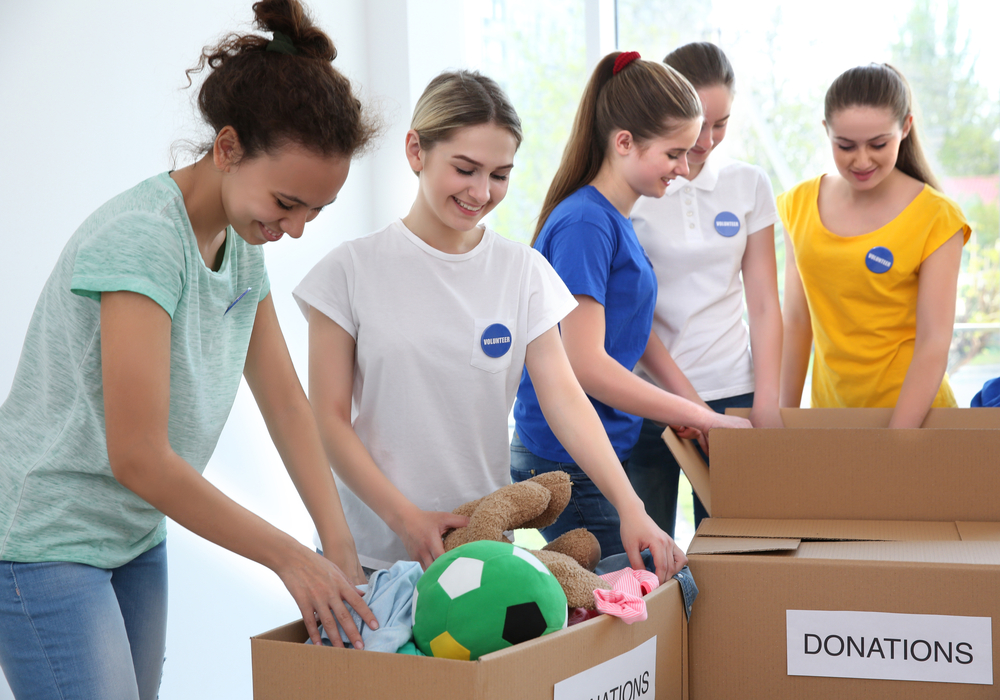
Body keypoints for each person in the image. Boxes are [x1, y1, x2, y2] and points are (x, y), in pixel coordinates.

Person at [0, 2, 381, 697]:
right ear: (228, 147)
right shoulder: (144, 238)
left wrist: (340, 546)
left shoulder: (241, 242)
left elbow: (287, 403)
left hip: (135, 532)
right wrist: (289, 557)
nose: (293, 229)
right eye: (287, 202)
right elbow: (138, 453)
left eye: (313, 213)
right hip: (48, 541)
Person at [295, 69, 686, 584]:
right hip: (366, 555)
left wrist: (631, 507)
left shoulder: (522, 272)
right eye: (466, 169)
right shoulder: (347, 272)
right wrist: (406, 520)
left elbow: (566, 400)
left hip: (482, 555)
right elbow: (327, 421)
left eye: (500, 175)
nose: (481, 191)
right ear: (416, 151)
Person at [511, 51, 752, 560]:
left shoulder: (613, 220)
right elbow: (588, 366)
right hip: (564, 459)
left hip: (592, 450)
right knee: (650, 582)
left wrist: (693, 411)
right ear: (624, 142)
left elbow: (630, 333)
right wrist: (704, 418)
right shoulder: (586, 225)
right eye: (674, 154)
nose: (685, 169)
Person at [626, 42, 783, 537]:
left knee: (738, 546)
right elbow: (634, 317)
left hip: (735, 392)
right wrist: (691, 408)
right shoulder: (635, 191)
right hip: (650, 398)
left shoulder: (748, 185)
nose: (708, 139)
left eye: (722, 123)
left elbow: (763, 303)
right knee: (651, 559)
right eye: (699, 122)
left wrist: (768, 403)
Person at [779, 63, 971, 427]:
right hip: (833, 419)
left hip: (917, 422)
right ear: (826, 132)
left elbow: (933, 344)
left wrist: (896, 442)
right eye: (845, 145)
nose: (862, 160)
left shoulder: (937, 217)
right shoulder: (797, 205)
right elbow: (797, 322)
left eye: (879, 144)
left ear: (906, 128)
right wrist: (781, 420)